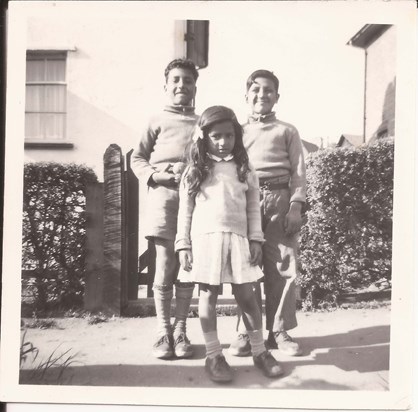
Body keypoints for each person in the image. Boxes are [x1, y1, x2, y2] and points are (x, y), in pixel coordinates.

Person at [175, 105, 283, 383]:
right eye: (216, 136)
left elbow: (252, 210)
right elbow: (185, 212)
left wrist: (256, 240)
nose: (224, 142)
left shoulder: (246, 171)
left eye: (229, 136)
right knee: (208, 296)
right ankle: (214, 355)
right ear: (204, 137)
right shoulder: (194, 171)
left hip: (238, 240)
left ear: (237, 136)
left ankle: (259, 351)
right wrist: (183, 244)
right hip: (205, 241)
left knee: (247, 295)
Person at [229, 70, 306, 357]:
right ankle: (246, 331)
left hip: (279, 201)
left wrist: (296, 205)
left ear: (277, 96)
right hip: (245, 201)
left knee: (283, 265)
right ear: (246, 95)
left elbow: (299, 173)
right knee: (245, 265)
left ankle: (278, 330)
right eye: (256, 90)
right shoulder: (237, 132)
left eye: (269, 90)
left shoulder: (287, 130)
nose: (262, 95)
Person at [131, 58, 199, 360]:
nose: (181, 85)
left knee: (188, 264)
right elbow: (137, 159)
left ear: (195, 85)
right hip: (163, 197)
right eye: (176, 80)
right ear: (166, 86)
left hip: (195, 200)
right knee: (164, 262)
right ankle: (163, 332)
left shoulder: (202, 122)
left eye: (187, 80)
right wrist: (156, 175)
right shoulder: (155, 120)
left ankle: (182, 329)